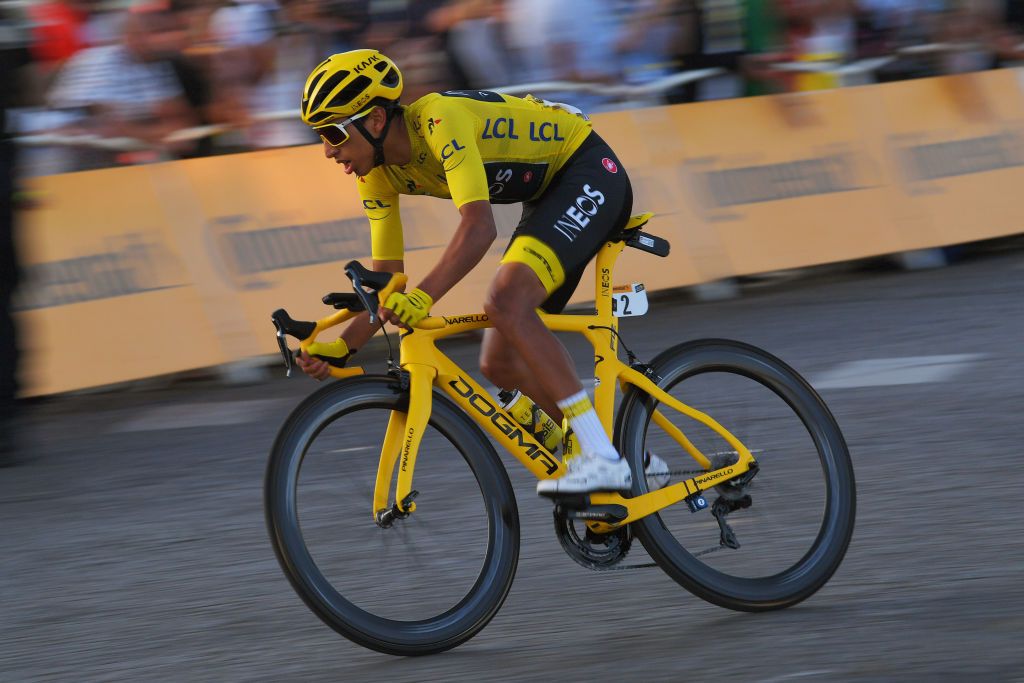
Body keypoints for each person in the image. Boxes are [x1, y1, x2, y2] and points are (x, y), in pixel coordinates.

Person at [294, 49, 669, 495]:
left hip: (586, 170)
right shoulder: (374, 175)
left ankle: (600, 457)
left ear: (375, 120)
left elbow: (478, 228)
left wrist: (424, 298)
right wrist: (342, 346)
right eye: (320, 135)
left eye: (334, 133)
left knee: (505, 301)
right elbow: (388, 281)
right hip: (547, 196)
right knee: (498, 361)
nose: (327, 150)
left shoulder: (440, 120)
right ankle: (623, 457)